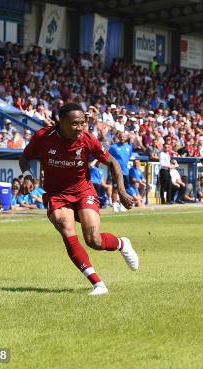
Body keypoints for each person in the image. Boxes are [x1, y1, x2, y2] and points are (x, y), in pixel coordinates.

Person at [19, 103, 139, 296]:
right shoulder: (44, 137)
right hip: (56, 194)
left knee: (94, 240)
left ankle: (122, 243)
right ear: (61, 122)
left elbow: (113, 163)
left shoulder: (87, 139)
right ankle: (98, 284)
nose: (80, 128)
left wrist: (122, 191)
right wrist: (26, 175)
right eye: (75, 124)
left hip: (83, 191)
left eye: (83, 123)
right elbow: (25, 157)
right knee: (66, 228)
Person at [109, 132, 133, 212]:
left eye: (124, 137)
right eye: (121, 137)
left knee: (124, 189)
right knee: (115, 188)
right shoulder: (113, 147)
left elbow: (128, 157)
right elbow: (109, 158)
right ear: (118, 137)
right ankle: (114, 204)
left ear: (126, 138)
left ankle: (123, 204)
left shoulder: (129, 147)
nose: (122, 138)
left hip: (125, 171)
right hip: (116, 171)